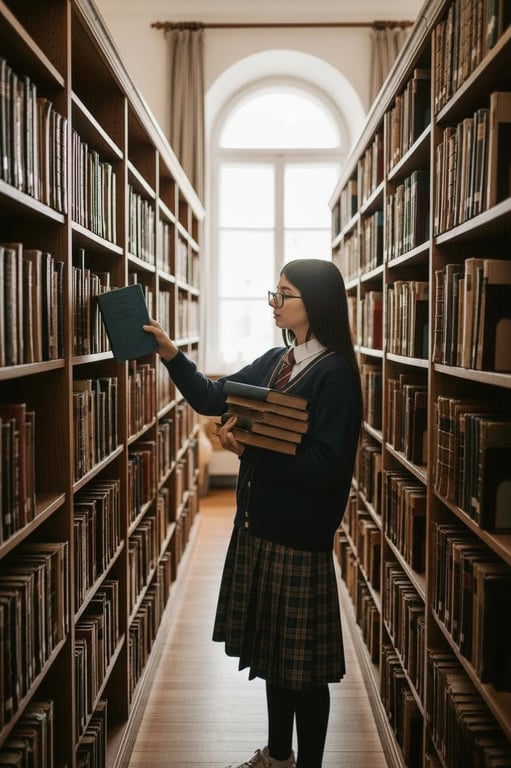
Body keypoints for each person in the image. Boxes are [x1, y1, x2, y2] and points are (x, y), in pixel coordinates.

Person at [143, 258, 362, 768]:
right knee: (273, 660)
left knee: (303, 673)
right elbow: (212, 396)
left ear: (315, 304)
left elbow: (327, 467)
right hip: (258, 528)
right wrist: (172, 355)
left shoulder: (334, 375)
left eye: (283, 295)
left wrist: (249, 451)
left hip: (298, 537)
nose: (274, 303)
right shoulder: (276, 361)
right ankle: (277, 757)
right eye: (275, 293)